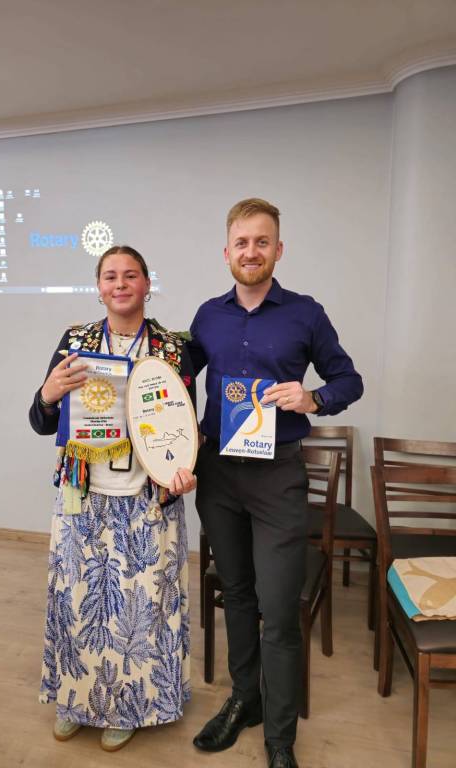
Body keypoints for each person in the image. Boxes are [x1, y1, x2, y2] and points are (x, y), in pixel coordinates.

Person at [187, 199, 363, 768]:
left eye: (262, 242)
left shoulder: (306, 314)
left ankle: (280, 738)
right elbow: (175, 377)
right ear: (226, 252)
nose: (251, 252)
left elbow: (349, 379)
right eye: (241, 242)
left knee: (279, 608)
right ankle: (246, 700)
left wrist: (314, 398)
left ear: (278, 250)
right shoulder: (207, 316)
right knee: (236, 593)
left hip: (278, 475)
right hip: (218, 474)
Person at [29, 245, 197, 752]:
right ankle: (76, 702)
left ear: (147, 284)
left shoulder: (172, 349)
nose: (120, 284)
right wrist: (48, 393)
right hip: (84, 495)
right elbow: (41, 422)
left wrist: (186, 471)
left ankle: (129, 708)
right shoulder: (75, 342)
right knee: (78, 602)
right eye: (110, 276)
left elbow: (186, 426)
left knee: (140, 610)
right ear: (99, 287)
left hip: (147, 497)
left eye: (130, 275)